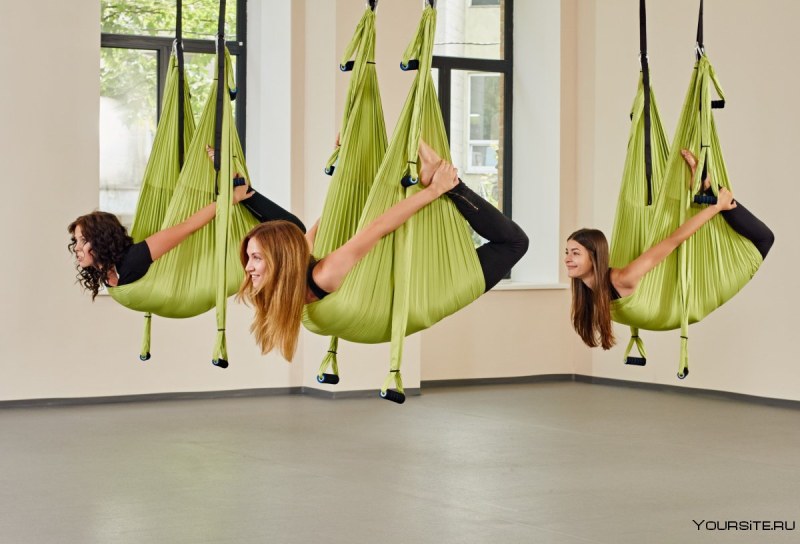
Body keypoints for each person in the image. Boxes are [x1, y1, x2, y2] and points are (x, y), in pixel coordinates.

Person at [238, 140, 529, 360]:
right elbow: (327, 222)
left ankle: (448, 185)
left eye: (255, 258)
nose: (248, 267)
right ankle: (450, 185)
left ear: (282, 259)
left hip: (426, 288)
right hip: (429, 293)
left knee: (515, 243)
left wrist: (431, 191)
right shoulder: (303, 272)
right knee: (513, 243)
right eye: (250, 258)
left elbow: (368, 226)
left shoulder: (323, 273)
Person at [565, 149, 774, 349]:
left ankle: (710, 188)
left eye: (575, 253)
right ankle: (706, 188)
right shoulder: (588, 293)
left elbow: (673, 241)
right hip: (693, 294)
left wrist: (716, 207)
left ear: (595, 257)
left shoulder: (622, 279)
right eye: (567, 252)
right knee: (763, 239)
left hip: (703, 289)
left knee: (765, 239)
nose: (567, 259)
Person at [68, 149, 305, 300]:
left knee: (294, 231)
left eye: (83, 240)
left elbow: (188, 226)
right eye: (77, 240)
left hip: (225, 266)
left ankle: (243, 191)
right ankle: (242, 190)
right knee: (292, 234)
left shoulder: (133, 259)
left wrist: (230, 199)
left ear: (101, 240)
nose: (77, 248)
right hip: (209, 275)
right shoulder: (106, 271)